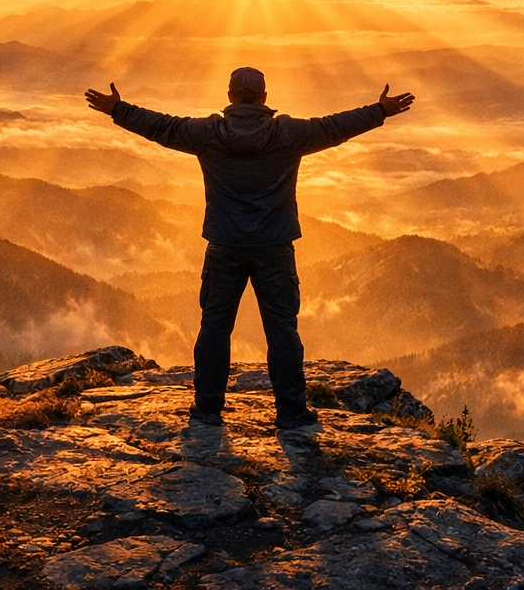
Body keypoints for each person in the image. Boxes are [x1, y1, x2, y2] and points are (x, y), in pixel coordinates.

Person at [85, 67, 414, 431]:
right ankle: (291, 414)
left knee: (214, 328)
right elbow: (334, 127)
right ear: (264, 97)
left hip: (224, 246)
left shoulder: (209, 133)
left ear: (229, 97)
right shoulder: (287, 133)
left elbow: (163, 127)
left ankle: (207, 410)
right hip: (274, 247)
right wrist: (379, 110)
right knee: (282, 331)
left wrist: (119, 109)